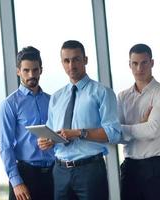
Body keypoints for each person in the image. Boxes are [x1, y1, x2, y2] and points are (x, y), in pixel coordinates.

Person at [38, 40, 122, 200]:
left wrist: (78, 133)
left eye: (76, 59)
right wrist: (46, 141)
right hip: (60, 171)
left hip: (90, 171)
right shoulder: (56, 97)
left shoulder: (102, 93)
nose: (71, 65)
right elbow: (51, 132)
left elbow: (114, 133)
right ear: (62, 63)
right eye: (66, 61)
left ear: (85, 60)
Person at [117, 43, 160, 200]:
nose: (139, 68)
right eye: (135, 63)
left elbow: (153, 130)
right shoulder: (122, 97)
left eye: (144, 63)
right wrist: (141, 123)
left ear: (152, 63)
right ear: (129, 65)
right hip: (130, 167)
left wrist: (126, 129)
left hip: (157, 168)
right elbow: (115, 135)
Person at [0, 46, 55, 200]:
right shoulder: (9, 104)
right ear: (18, 71)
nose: (31, 75)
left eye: (35, 70)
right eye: (26, 70)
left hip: (53, 175)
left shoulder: (52, 101)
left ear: (41, 70)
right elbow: (5, 146)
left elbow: (59, 134)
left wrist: (53, 141)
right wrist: (16, 182)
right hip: (26, 175)